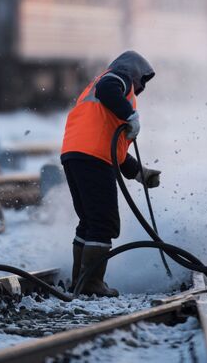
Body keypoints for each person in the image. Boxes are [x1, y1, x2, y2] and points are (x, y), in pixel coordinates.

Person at [61, 50, 161, 297]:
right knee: (103, 223)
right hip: (92, 158)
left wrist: (140, 173)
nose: (140, 88)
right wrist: (131, 115)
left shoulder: (96, 95)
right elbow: (109, 89)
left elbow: (113, 147)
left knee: (89, 221)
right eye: (142, 81)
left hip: (75, 154)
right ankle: (91, 284)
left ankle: (80, 282)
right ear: (135, 72)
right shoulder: (117, 78)